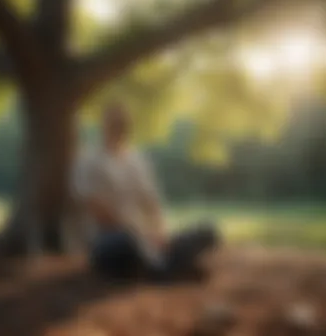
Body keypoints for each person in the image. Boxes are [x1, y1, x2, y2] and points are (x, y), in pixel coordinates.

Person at [72, 100, 220, 282]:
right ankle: (169, 268)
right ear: (104, 125)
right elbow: (97, 210)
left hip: (144, 236)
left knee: (208, 230)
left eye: (123, 123)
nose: (119, 127)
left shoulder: (137, 161)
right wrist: (140, 234)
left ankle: (162, 265)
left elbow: (152, 202)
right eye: (114, 123)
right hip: (109, 238)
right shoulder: (89, 160)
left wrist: (161, 233)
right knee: (127, 242)